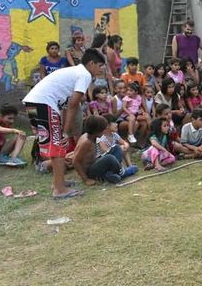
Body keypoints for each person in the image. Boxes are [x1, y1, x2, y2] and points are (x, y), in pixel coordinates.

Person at [24, 48, 105, 199]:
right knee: (58, 145)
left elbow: (68, 105)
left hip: (32, 103)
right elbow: (74, 104)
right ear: (91, 63)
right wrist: (65, 131)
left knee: (53, 145)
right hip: (43, 103)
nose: (102, 69)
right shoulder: (84, 74)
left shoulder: (75, 72)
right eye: (100, 65)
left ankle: (58, 182)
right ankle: (59, 190)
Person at [73, 116, 128, 185]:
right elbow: (75, 161)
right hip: (90, 172)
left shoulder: (92, 137)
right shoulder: (86, 142)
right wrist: (86, 179)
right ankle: (122, 173)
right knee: (109, 158)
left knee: (116, 148)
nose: (104, 132)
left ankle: (110, 174)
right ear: (97, 131)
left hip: (96, 163)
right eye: (103, 130)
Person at [172, 20, 202, 86]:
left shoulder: (196, 38)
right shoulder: (177, 38)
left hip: (194, 67)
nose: (190, 32)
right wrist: (176, 67)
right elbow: (174, 54)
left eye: (191, 30)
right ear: (183, 28)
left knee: (195, 85)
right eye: (188, 29)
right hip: (182, 68)